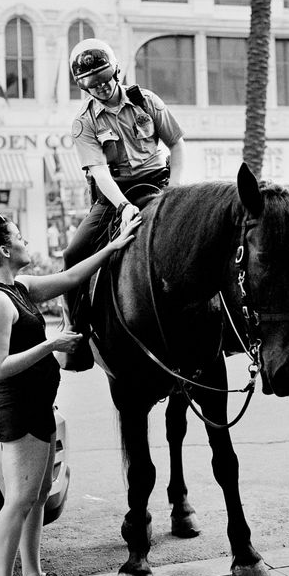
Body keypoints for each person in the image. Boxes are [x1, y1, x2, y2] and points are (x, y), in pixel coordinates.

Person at [0, 207, 141, 576]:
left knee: (38, 496)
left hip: (38, 405)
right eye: (20, 236)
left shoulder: (19, 287)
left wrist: (115, 245)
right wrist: (52, 344)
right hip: (17, 409)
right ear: (6, 249)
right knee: (19, 500)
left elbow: (73, 277)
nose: (26, 240)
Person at [61, 37, 186, 370]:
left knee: (202, 232)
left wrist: (173, 190)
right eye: (91, 84)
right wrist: (122, 206)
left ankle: (228, 322)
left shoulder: (146, 101)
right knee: (73, 253)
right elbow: (99, 172)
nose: (100, 88)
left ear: (115, 71)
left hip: (159, 182)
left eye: (104, 79)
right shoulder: (84, 122)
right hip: (114, 192)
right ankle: (77, 330)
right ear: (82, 86)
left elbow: (176, 143)